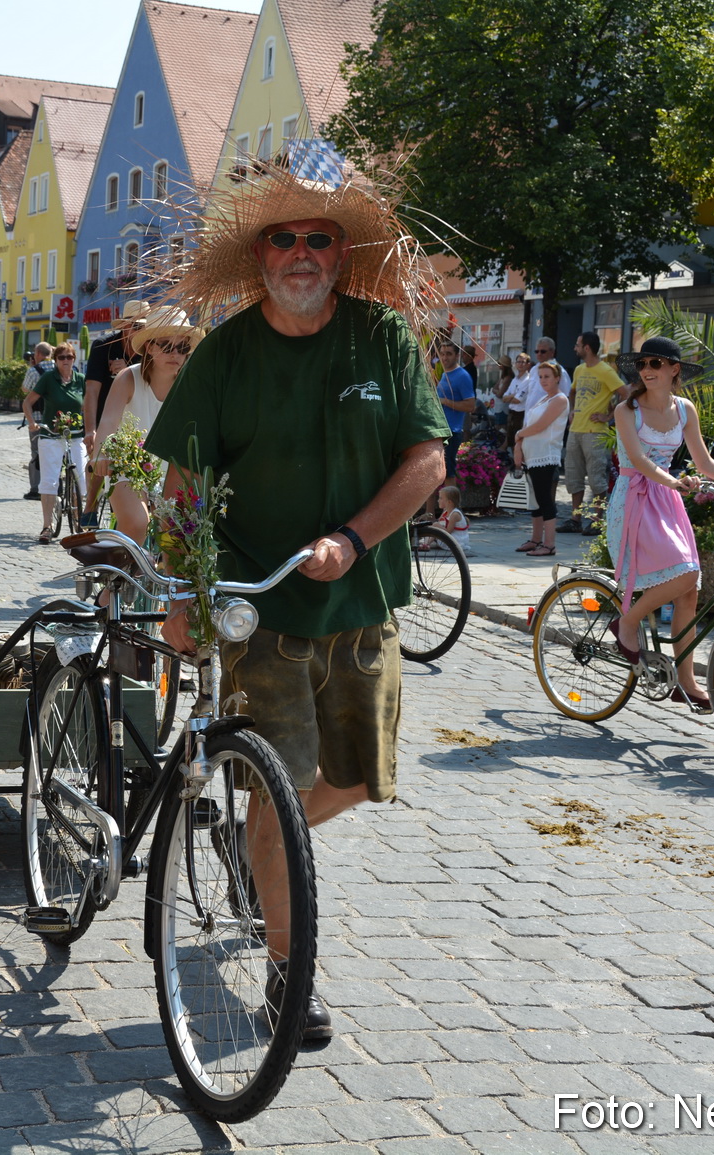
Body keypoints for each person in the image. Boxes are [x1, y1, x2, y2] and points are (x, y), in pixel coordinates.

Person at [145, 159, 450, 1040]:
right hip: (260, 605)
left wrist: (352, 538)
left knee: (355, 779)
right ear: (261, 254)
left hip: (362, 599)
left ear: (342, 253)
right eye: (285, 238)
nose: (302, 252)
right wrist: (184, 590)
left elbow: (427, 461)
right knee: (283, 784)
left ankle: (257, 833)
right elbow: (183, 485)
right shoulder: (226, 354)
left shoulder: (381, 338)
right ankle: (289, 974)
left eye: (319, 237)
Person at [608, 336, 714, 710]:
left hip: (666, 501)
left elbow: (704, 463)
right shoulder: (627, 410)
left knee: (688, 591)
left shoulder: (685, 409)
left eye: (655, 364)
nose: (647, 370)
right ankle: (627, 622)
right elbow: (639, 460)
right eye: (642, 364)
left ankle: (686, 682)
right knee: (686, 574)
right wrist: (674, 481)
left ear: (674, 369)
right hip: (634, 500)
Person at [90, 307, 200, 544]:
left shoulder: (190, 385)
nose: (175, 354)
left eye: (182, 347)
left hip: (171, 472)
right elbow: (109, 420)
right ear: (149, 347)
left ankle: (162, 569)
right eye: (166, 346)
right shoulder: (128, 377)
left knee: (178, 537)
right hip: (128, 467)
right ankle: (125, 566)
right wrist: (101, 453)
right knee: (138, 522)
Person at [82, 300, 149, 523]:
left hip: (135, 417)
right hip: (104, 415)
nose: (141, 331)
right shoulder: (103, 346)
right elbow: (92, 391)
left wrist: (128, 371)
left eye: (145, 327)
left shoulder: (149, 348)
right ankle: (90, 506)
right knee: (99, 459)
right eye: (136, 326)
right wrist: (90, 430)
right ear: (124, 326)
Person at [23, 340, 86, 544]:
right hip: (51, 434)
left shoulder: (80, 379)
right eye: (62, 357)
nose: (66, 360)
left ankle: (78, 520)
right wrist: (32, 422)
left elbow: (88, 406)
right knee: (49, 481)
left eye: (69, 357)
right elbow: (27, 402)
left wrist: (92, 427)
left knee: (81, 478)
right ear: (56, 360)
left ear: (74, 359)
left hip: (75, 434)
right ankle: (47, 526)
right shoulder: (49, 379)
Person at [559, 332, 623, 532]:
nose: (575, 348)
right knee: (573, 476)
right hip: (576, 430)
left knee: (597, 478)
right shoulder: (579, 370)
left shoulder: (606, 371)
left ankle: (597, 520)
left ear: (586, 348)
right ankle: (575, 519)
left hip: (595, 433)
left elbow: (625, 393)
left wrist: (608, 416)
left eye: (577, 345)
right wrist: (571, 410)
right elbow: (572, 391)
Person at [512, 361, 569, 557]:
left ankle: (549, 544)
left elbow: (541, 426)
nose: (543, 380)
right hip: (532, 455)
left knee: (545, 499)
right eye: (541, 377)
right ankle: (535, 539)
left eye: (547, 377)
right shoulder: (543, 399)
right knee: (535, 500)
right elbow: (530, 425)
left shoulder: (560, 399)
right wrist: (519, 445)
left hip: (546, 455)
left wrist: (518, 435)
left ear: (557, 379)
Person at [433, 338, 477, 487]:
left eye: (449, 354)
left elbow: (470, 405)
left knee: (448, 472)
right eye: (442, 353)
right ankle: (435, 504)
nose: (445, 357)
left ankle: (451, 503)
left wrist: (446, 402)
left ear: (457, 355)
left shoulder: (463, 376)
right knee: (434, 473)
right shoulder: (444, 373)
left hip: (452, 431)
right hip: (440, 429)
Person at [21, 342, 54, 499]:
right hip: (58, 419)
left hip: (38, 419)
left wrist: (32, 367)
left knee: (37, 453)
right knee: (55, 454)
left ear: (39, 354)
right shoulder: (58, 368)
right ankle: (56, 486)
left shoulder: (34, 371)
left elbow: (25, 389)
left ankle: (36, 488)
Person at [418, 485, 472, 555]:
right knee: (433, 527)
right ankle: (425, 544)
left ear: (449, 502)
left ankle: (425, 544)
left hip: (456, 542)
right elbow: (440, 523)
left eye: (441, 498)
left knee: (435, 526)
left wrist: (437, 525)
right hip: (449, 539)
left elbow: (448, 531)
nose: (438, 500)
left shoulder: (455, 514)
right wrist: (436, 526)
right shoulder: (446, 512)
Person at [501, 350, 535, 435]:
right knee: (510, 439)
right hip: (511, 413)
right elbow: (503, 398)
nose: (520, 364)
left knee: (518, 439)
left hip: (521, 415)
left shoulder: (528, 380)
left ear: (528, 364)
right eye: (518, 362)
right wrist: (513, 395)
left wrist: (510, 397)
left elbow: (517, 400)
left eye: (523, 362)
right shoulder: (514, 380)